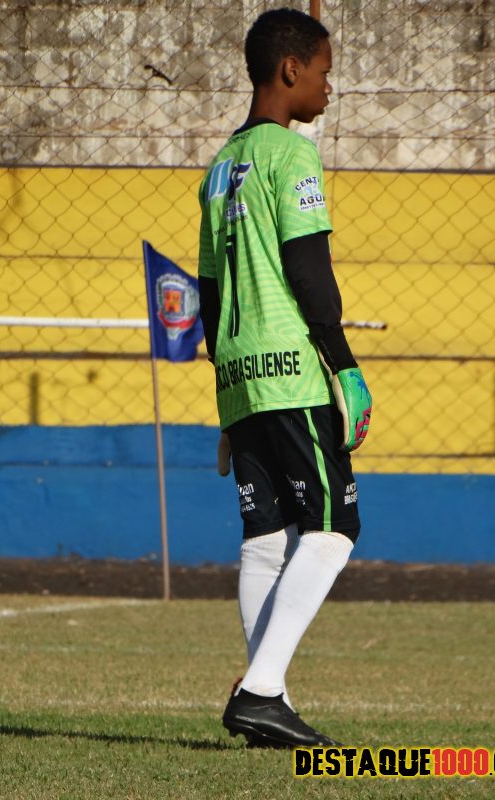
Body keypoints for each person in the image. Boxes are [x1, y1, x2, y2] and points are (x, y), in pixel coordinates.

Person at [197, 7, 371, 749]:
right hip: (292, 371)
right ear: (290, 69)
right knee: (334, 528)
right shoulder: (292, 155)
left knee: (266, 537)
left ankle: (272, 702)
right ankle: (261, 691)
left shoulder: (218, 168)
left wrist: (227, 396)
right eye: (325, 72)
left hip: (239, 373)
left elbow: (209, 295)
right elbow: (309, 271)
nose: (329, 87)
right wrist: (346, 366)